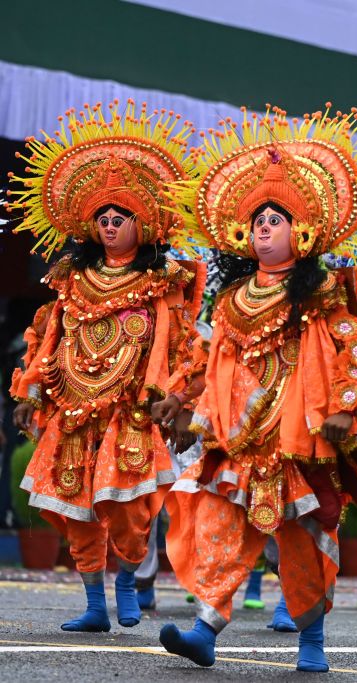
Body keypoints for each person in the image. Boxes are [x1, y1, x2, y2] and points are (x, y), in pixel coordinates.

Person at [158, 104, 357, 672]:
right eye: (257, 222)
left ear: (304, 231)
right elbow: (210, 357)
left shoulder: (323, 295)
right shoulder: (232, 299)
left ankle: (311, 645)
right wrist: (182, 396)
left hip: (299, 440)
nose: (264, 229)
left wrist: (346, 406)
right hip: (238, 440)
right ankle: (205, 630)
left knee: (301, 545)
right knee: (220, 529)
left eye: (276, 220)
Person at [7, 101, 204, 632]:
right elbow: (47, 337)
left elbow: (180, 345)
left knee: (131, 508)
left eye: (121, 218)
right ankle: (94, 604)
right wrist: (31, 393)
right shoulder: (71, 279)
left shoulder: (162, 283)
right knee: (74, 507)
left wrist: (176, 400)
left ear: (144, 224)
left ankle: (126, 585)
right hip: (72, 407)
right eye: (104, 218)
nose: (112, 224)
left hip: (130, 409)